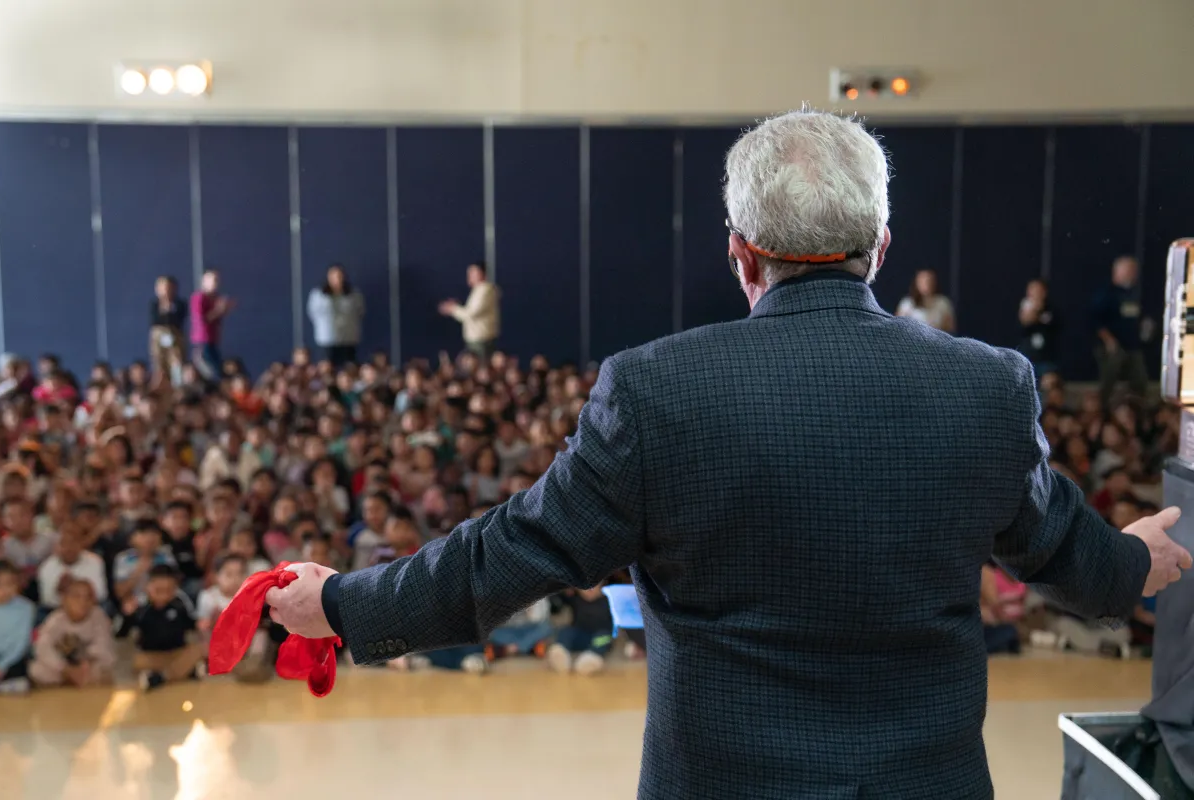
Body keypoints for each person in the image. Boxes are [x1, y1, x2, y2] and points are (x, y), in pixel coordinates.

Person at [269, 109, 1191, 800]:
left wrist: (342, 606)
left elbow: (504, 556)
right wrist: (1137, 558)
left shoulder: (655, 392)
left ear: (741, 257)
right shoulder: (989, 385)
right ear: (881, 248)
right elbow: (1072, 558)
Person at [121, 564, 203, 692]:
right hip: (152, 656)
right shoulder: (141, 608)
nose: (163, 596)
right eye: (158, 591)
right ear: (148, 588)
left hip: (176, 652)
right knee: (137, 662)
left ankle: (160, 678)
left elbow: (191, 625)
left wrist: (199, 624)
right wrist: (127, 616)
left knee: (199, 650)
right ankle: (184, 672)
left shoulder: (179, 604)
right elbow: (121, 634)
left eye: (168, 591)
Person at [29, 578, 115, 688]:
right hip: (62, 667)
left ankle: (75, 680)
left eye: (88, 597)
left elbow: (103, 647)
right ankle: (70, 679)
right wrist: (65, 669)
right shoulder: (56, 619)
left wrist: (87, 662)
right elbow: (42, 647)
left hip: (88, 665)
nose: (82, 602)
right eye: (76, 597)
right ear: (64, 600)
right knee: (36, 670)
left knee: (103, 669)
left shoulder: (98, 616)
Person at [1094, 255, 1149, 407]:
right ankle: (1103, 414)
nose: (1133, 273)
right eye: (1129, 270)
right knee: (1108, 381)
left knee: (1140, 380)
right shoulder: (1106, 294)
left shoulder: (1135, 294)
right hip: (1113, 348)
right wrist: (1109, 340)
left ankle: (1137, 416)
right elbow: (1095, 320)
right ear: (1118, 271)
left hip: (1132, 347)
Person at [307, 264, 366, 367]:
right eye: (334, 276)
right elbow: (313, 313)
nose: (337, 279)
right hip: (327, 339)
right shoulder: (319, 295)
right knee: (327, 367)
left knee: (349, 367)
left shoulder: (354, 294)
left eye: (339, 276)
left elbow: (360, 311)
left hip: (348, 338)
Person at [438, 262, 500, 358]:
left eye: (473, 273)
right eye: (469, 273)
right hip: (476, 340)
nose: (470, 276)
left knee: (480, 369)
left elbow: (471, 314)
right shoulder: (478, 290)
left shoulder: (485, 289)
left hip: (481, 340)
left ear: (483, 274)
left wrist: (452, 309)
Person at [0, 560, 32, 694]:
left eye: (9, 584)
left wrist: (0, 666)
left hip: (12, 659)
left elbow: (21, 644)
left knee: (23, 674)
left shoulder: (26, 608)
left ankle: (0, 686)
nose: (4, 590)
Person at [189, 269, 234, 383]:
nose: (215, 282)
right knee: (211, 372)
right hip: (202, 341)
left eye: (216, 280)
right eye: (212, 279)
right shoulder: (198, 297)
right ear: (203, 281)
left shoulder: (215, 298)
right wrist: (219, 310)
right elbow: (202, 319)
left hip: (213, 340)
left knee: (218, 369)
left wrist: (225, 309)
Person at [149, 276, 187, 387]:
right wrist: (164, 308)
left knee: (176, 361)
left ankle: (177, 385)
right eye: (163, 287)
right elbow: (155, 320)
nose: (166, 290)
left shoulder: (180, 304)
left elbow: (179, 319)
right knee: (159, 362)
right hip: (158, 336)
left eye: (168, 287)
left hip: (175, 335)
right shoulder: (154, 304)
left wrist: (170, 308)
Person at [1017, 278, 1058, 378]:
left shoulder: (1052, 310)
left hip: (1046, 359)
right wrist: (1034, 308)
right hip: (1027, 359)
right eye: (1031, 290)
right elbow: (1025, 321)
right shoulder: (1025, 308)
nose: (1033, 293)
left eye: (1037, 290)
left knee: (1051, 381)